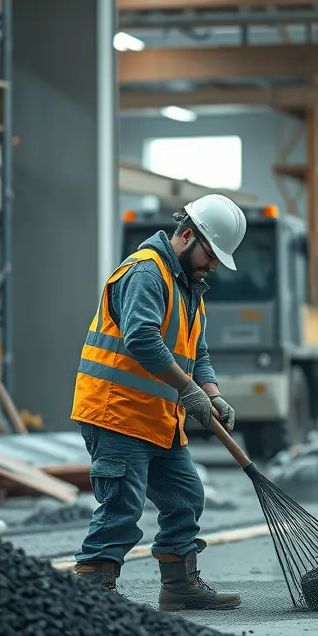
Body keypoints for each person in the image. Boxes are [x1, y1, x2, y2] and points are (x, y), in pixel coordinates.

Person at [69, 194, 247, 610]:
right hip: (117, 411)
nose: (214, 266)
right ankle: (91, 593)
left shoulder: (190, 289)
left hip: (159, 416)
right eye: (211, 254)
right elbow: (142, 338)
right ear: (187, 235)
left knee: (186, 495)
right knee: (122, 505)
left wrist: (213, 396)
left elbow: (196, 352)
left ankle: (179, 585)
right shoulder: (146, 272)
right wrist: (188, 390)